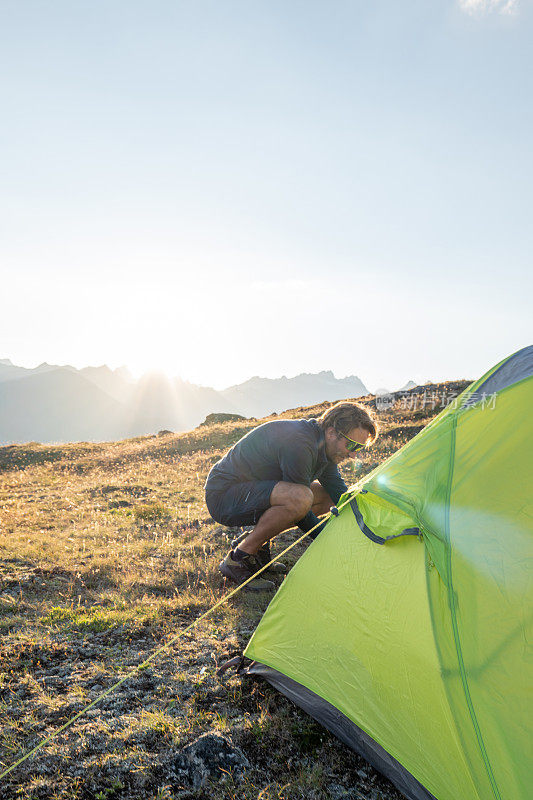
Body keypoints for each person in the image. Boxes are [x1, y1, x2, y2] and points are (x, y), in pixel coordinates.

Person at [205, 401, 378, 590]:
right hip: (223, 496)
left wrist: (367, 525)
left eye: (359, 448)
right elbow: (300, 508)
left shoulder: (325, 447)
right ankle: (239, 558)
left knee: (325, 496)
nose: (353, 455)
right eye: (351, 445)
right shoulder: (301, 443)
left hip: (251, 491)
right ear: (331, 432)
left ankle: (256, 547)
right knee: (300, 498)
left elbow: (338, 492)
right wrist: (328, 539)